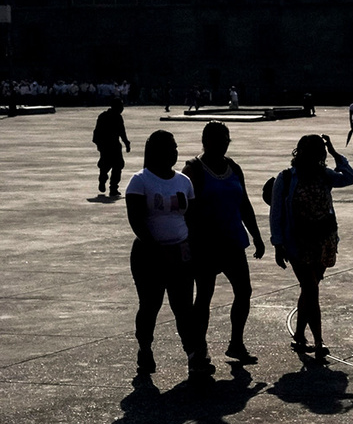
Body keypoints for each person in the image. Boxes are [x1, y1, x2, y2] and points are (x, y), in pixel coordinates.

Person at [125, 130, 210, 377]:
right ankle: (145, 348)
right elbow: (137, 222)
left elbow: (192, 219)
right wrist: (157, 249)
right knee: (150, 306)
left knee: (183, 308)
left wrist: (192, 250)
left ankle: (194, 356)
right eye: (168, 148)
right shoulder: (139, 181)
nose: (174, 152)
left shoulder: (184, 181)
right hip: (148, 254)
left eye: (175, 147)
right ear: (154, 152)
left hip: (180, 252)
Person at [182, 121, 266, 366]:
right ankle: (199, 349)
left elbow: (244, 204)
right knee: (205, 295)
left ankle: (236, 344)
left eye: (226, 139)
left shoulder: (233, 167)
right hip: (205, 245)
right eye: (219, 139)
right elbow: (187, 210)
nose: (224, 144)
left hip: (232, 241)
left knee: (244, 291)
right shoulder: (193, 169)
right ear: (205, 141)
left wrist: (257, 236)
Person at [269, 134, 353, 359]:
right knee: (311, 288)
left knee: (310, 289)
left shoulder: (324, 175)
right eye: (309, 153)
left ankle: (299, 335)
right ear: (299, 153)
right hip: (298, 242)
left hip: (324, 240)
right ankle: (318, 341)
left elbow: (350, 178)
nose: (313, 158)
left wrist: (336, 153)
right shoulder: (286, 178)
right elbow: (276, 213)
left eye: (317, 154)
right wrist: (278, 244)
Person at [93, 99, 131, 197]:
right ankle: (108, 183)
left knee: (112, 165)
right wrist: (126, 143)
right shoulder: (111, 117)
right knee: (112, 166)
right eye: (121, 107)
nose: (122, 109)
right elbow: (121, 132)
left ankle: (108, 183)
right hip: (109, 145)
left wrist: (126, 142)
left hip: (109, 145)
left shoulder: (108, 116)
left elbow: (121, 131)